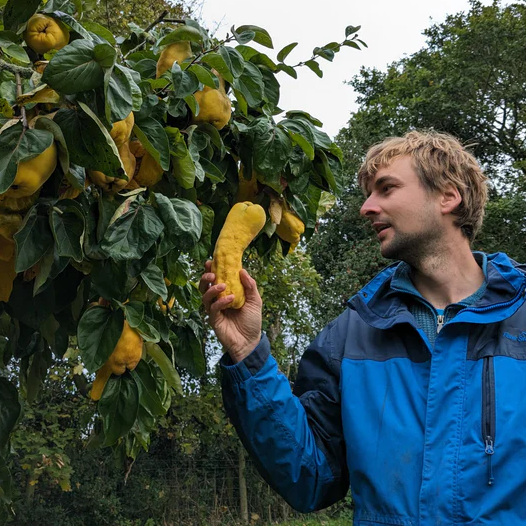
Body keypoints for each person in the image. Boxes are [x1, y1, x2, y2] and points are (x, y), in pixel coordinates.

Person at [199, 130, 526, 525]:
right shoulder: (349, 335)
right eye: (368, 194)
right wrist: (248, 351)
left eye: (386, 189)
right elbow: (310, 477)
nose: (366, 207)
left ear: (448, 196)